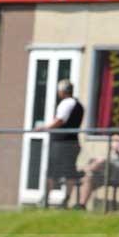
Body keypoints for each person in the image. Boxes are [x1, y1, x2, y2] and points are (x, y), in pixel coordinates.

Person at [38, 79, 84, 207]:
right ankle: (65, 199)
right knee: (69, 171)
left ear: (62, 91)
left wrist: (44, 127)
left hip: (61, 144)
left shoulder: (67, 103)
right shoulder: (78, 104)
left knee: (52, 171)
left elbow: (59, 120)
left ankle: (47, 199)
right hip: (72, 142)